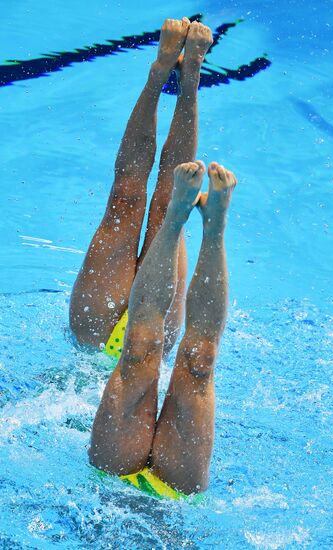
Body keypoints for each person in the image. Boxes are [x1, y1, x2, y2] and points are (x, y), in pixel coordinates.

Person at [70, 18, 237, 495]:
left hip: (96, 339)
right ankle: (188, 78)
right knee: (199, 357)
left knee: (128, 202)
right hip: (172, 494)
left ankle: (167, 68)